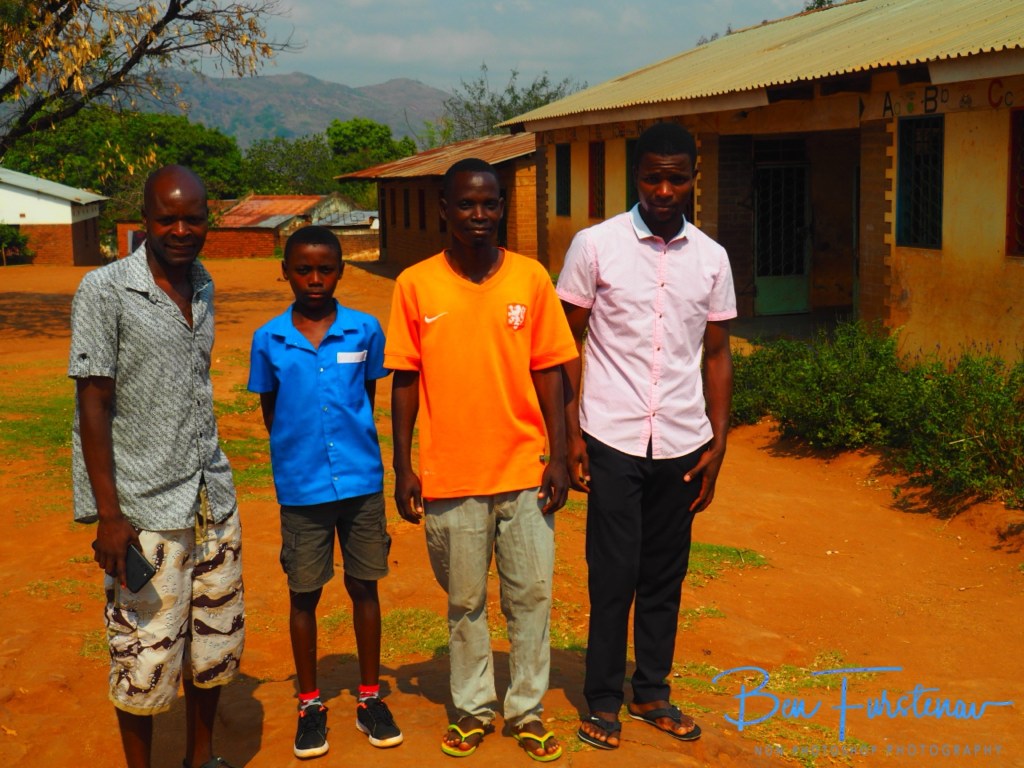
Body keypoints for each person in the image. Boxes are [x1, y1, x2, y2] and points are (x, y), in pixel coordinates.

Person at [385, 158, 577, 762]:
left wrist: (563, 450)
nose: (479, 215)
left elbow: (550, 369)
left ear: (502, 208)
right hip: (450, 475)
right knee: (464, 602)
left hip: (524, 469)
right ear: (444, 208)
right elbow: (405, 380)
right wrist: (404, 466)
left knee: (531, 596)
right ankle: (472, 709)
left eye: (490, 203)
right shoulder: (415, 284)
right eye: (466, 204)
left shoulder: (530, 278)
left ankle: (526, 710)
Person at [557, 122, 736, 750]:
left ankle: (652, 691)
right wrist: (573, 431)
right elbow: (565, 343)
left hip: (684, 441)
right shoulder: (596, 245)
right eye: (652, 177)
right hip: (611, 434)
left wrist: (718, 441)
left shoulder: (712, 258)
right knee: (612, 574)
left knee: (665, 572)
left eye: (676, 177)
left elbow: (716, 353)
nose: (664, 189)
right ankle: (602, 698)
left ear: (693, 178)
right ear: (635, 178)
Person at [69, 165, 245, 768]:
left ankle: (203, 757)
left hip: (210, 500)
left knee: (213, 644)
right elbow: (93, 401)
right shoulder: (106, 289)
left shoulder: (203, 284)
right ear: (143, 218)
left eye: (192, 218)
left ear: (206, 221)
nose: (179, 229)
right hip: (144, 509)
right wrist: (108, 516)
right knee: (143, 655)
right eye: (166, 217)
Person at [247, 225, 402, 758]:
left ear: (341, 270)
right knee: (304, 594)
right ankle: (310, 703)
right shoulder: (269, 339)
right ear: (286, 270)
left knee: (365, 587)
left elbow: (368, 396)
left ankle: (368, 697)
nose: (315, 279)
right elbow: (272, 413)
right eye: (303, 269)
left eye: (326, 269)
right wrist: (302, 452)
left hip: (360, 483)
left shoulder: (364, 330)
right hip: (302, 486)